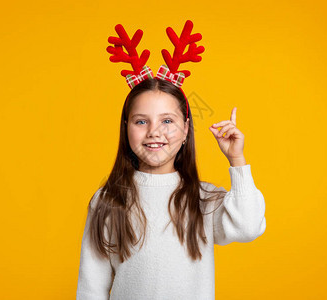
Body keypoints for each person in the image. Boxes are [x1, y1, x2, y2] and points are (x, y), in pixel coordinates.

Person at [76, 21, 266, 300]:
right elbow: (91, 287)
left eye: (167, 120)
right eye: (142, 121)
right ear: (126, 126)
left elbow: (248, 226)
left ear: (186, 128)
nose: (154, 132)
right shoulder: (108, 199)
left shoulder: (203, 199)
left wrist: (236, 159)